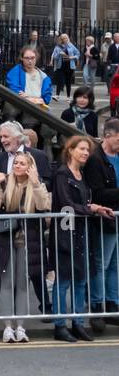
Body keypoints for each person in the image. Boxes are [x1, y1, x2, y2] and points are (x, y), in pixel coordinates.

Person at [53, 135, 112, 342]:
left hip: (82, 232)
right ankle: (59, 325)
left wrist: (94, 208)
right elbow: (66, 204)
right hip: (64, 234)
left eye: (88, 150)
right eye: (82, 149)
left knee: (80, 280)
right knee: (63, 282)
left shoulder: (82, 174)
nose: (86, 153)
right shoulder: (62, 174)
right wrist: (91, 208)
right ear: (70, 151)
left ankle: (78, 323)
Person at [0, 151, 50, 343]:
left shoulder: (37, 184)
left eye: (22, 163)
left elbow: (43, 206)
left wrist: (36, 183)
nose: (17, 166)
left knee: (23, 285)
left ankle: (21, 327)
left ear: (30, 167)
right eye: (16, 163)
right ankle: (7, 327)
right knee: (6, 284)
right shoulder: (5, 182)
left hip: (28, 241)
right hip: (7, 240)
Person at [83, 119, 119, 329]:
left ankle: (112, 305)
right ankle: (96, 306)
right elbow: (97, 193)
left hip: (116, 217)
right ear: (107, 136)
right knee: (100, 264)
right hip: (103, 220)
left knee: (114, 265)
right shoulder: (96, 159)